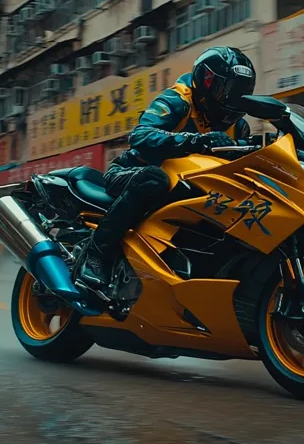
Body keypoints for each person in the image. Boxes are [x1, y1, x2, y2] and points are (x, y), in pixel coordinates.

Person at [77, 46, 257, 294]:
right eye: (226, 91)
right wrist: (194, 141)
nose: (230, 99)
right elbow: (140, 135)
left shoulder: (239, 128)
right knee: (154, 180)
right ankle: (96, 254)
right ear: (206, 82)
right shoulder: (178, 101)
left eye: (239, 93)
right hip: (131, 172)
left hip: (187, 187)